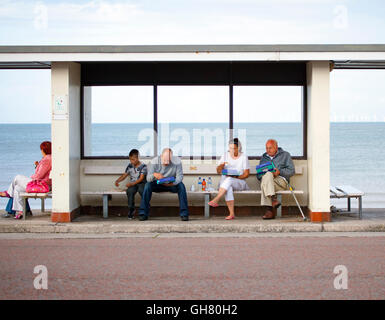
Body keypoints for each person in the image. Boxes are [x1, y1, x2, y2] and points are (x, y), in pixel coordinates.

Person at [0, 141, 52, 219]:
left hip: (41, 184)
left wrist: (32, 176)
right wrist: (38, 166)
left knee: (17, 177)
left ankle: (8, 193)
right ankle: (22, 211)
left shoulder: (47, 159)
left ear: (43, 150)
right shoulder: (48, 158)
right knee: (17, 188)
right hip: (43, 184)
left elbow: (38, 176)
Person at [138, 148, 189, 221]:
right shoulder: (154, 161)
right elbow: (148, 179)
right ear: (161, 156)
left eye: (168, 160)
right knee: (147, 185)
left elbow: (180, 177)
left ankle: (184, 214)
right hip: (158, 184)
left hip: (171, 184)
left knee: (181, 186)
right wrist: (154, 175)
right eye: (165, 160)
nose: (166, 163)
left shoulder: (177, 161)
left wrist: (172, 183)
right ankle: (143, 213)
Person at [208, 138, 250, 220]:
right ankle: (231, 214)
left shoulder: (243, 157)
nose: (231, 151)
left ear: (239, 148)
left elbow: (246, 174)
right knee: (228, 187)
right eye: (230, 148)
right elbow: (218, 171)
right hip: (225, 184)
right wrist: (221, 166)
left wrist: (236, 176)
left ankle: (217, 198)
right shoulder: (225, 155)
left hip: (239, 182)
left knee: (229, 179)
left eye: (234, 148)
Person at [258, 139, 295, 220]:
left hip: (281, 181)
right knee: (267, 176)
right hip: (268, 182)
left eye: (270, 148)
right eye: (266, 148)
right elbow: (259, 175)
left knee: (265, 182)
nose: (268, 150)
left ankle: (269, 210)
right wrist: (267, 175)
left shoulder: (285, 155)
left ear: (276, 147)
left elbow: (291, 171)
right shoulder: (264, 157)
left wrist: (279, 172)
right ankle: (273, 199)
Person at [114, 149, 147, 219]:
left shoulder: (143, 166)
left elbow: (141, 178)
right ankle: (131, 209)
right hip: (133, 184)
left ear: (138, 158)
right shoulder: (130, 166)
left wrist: (131, 184)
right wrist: (117, 181)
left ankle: (145, 209)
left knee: (142, 191)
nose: (131, 161)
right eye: (130, 159)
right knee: (130, 191)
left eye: (133, 159)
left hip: (141, 183)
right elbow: (124, 175)